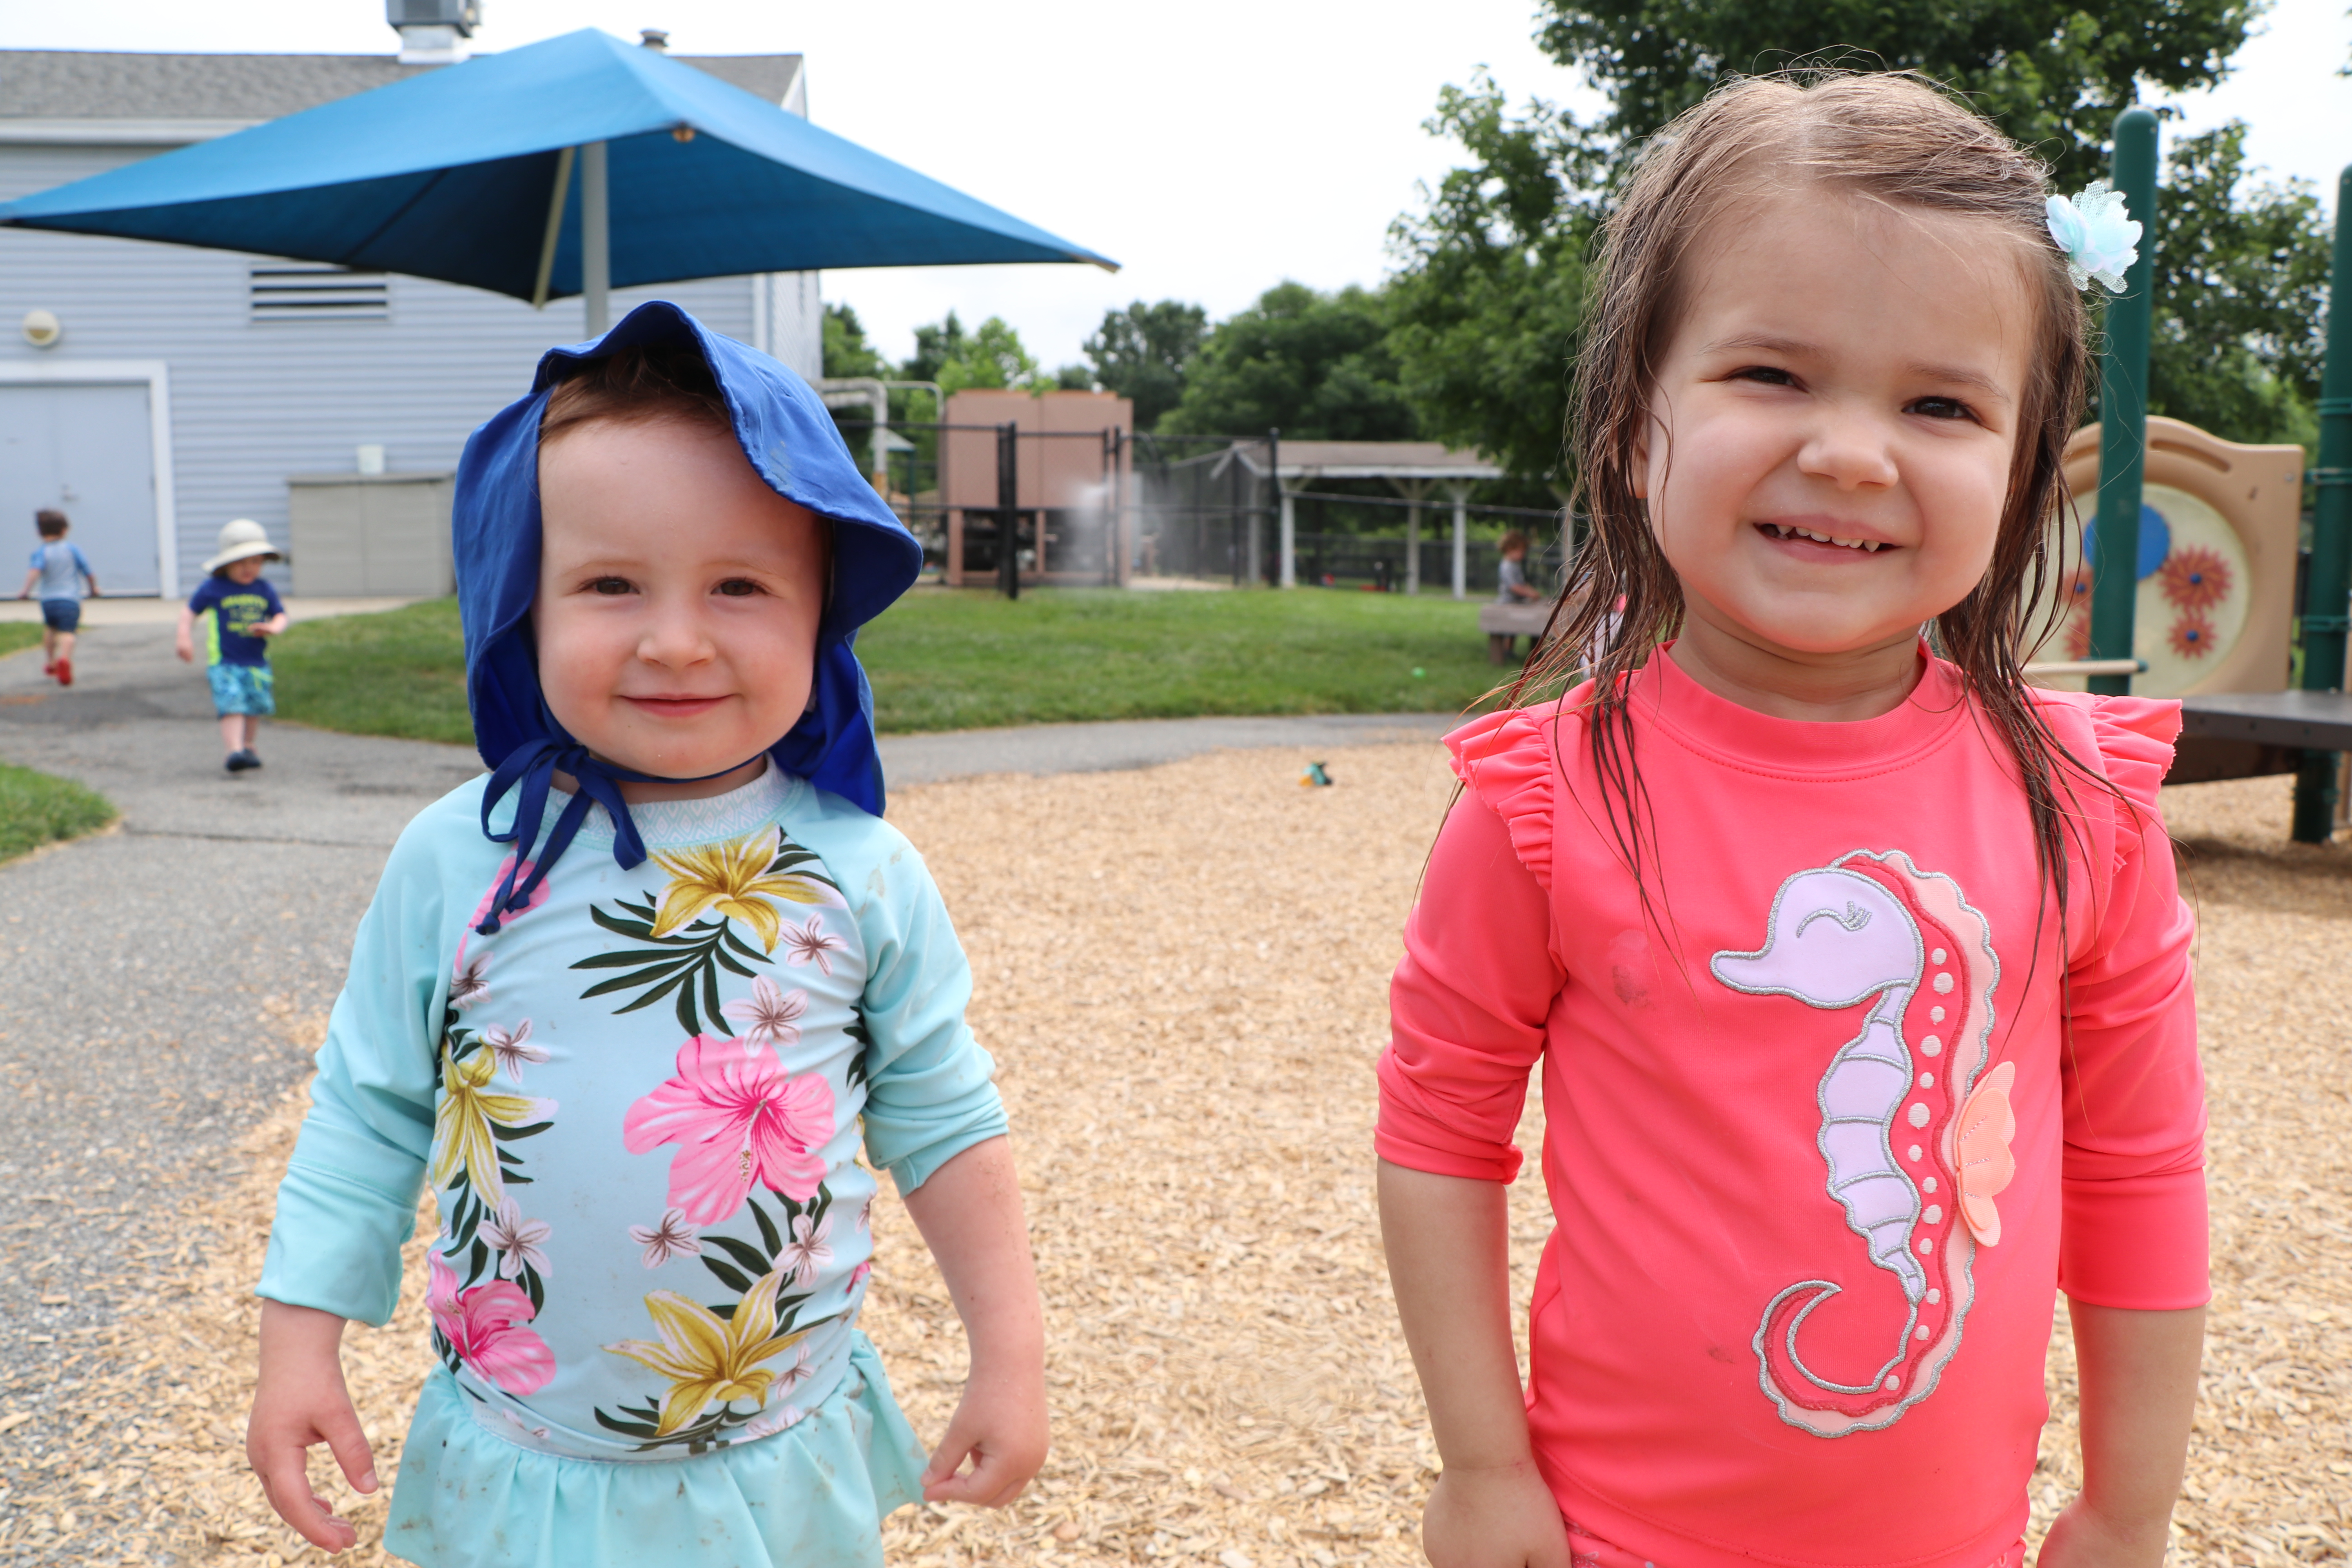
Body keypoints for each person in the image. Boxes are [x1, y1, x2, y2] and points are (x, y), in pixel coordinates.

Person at [1377, 74, 2205, 1568]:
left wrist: (2129, 1500)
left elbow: (2140, 1159)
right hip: (1614, 1533)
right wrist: (1482, 1460)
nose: (1849, 452)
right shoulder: (1544, 798)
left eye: (1939, 403)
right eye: (1771, 372)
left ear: (2021, 467)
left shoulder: (2078, 805)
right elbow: (1440, 1130)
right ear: (1638, 426)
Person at [243, 302, 1048, 1568]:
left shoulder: (858, 870)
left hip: (780, 1465)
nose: (675, 639)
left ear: (819, 607)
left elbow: (944, 1121)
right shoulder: (459, 862)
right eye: (611, 585)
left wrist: (1011, 1359)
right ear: (524, 600)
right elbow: (367, 1107)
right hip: (519, 1471)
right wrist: (299, 1340)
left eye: (739, 585)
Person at [176, 519, 289, 772]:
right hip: (225, 662)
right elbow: (189, 613)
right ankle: (233, 751)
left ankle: (248, 746)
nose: (249, 568)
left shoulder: (264, 589)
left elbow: (281, 615)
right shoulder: (214, 588)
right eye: (241, 562)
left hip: (256, 662)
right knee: (232, 704)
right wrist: (184, 636)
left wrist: (273, 628)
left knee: (253, 706)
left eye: (256, 562)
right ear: (227, 562)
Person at [18, 508, 99, 686]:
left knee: (51, 629)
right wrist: (94, 589)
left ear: (39, 533)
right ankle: (65, 660)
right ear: (64, 530)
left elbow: (35, 571)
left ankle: (51, 662)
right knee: (68, 633)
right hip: (69, 599)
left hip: (48, 601)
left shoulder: (41, 552)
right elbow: (88, 572)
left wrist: (25, 591)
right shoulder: (72, 549)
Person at [1490, 530, 1548, 662]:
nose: (1523, 554)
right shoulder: (1507, 566)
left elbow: (1523, 584)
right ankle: (1506, 650)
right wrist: (1530, 593)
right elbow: (1515, 587)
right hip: (1508, 602)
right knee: (1511, 627)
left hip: (1517, 602)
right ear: (1510, 549)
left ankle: (1532, 650)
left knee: (1527, 623)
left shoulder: (1515, 566)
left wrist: (1532, 592)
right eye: (1521, 551)